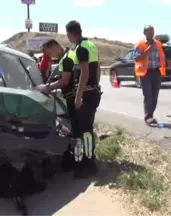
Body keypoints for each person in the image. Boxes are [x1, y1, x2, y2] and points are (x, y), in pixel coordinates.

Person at [65, 20, 102, 178]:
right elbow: (98, 69)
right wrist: (95, 86)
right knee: (87, 129)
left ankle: (88, 163)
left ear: (70, 34)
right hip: (92, 92)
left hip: (86, 94)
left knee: (85, 130)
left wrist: (79, 96)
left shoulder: (81, 49)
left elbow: (84, 73)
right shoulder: (91, 45)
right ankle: (88, 161)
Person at [35, 39, 77, 170]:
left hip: (74, 96)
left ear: (54, 47)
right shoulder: (68, 55)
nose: (50, 56)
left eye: (49, 53)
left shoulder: (66, 58)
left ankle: (78, 162)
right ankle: (78, 161)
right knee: (75, 130)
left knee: (76, 131)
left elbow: (65, 81)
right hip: (73, 96)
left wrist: (48, 86)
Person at [133, 25, 166, 127]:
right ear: (144, 33)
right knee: (148, 96)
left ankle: (151, 115)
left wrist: (166, 62)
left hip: (156, 71)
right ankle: (148, 117)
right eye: (149, 32)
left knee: (155, 95)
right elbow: (136, 58)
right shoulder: (140, 44)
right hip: (145, 73)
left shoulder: (158, 44)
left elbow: (161, 56)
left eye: (152, 32)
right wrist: (147, 50)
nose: (151, 34)